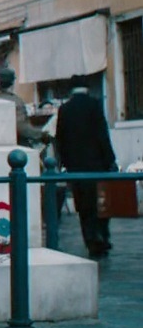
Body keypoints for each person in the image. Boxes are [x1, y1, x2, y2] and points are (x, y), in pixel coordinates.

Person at [55, 79, 116, 259]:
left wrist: (66, 162)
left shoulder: (64, 109)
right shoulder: (94, 105)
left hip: (76, 167)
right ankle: (103, 236)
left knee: (83, 205)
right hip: (97, 165)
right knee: (101, 203)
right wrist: (110, 159)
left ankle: (90, 239)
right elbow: (102, 134)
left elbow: (60, 139)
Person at [0, 68, 50, 148]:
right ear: (12, 82)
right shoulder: (15, 101)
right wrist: (41, 134)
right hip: (16, 145)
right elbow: (22, 127)